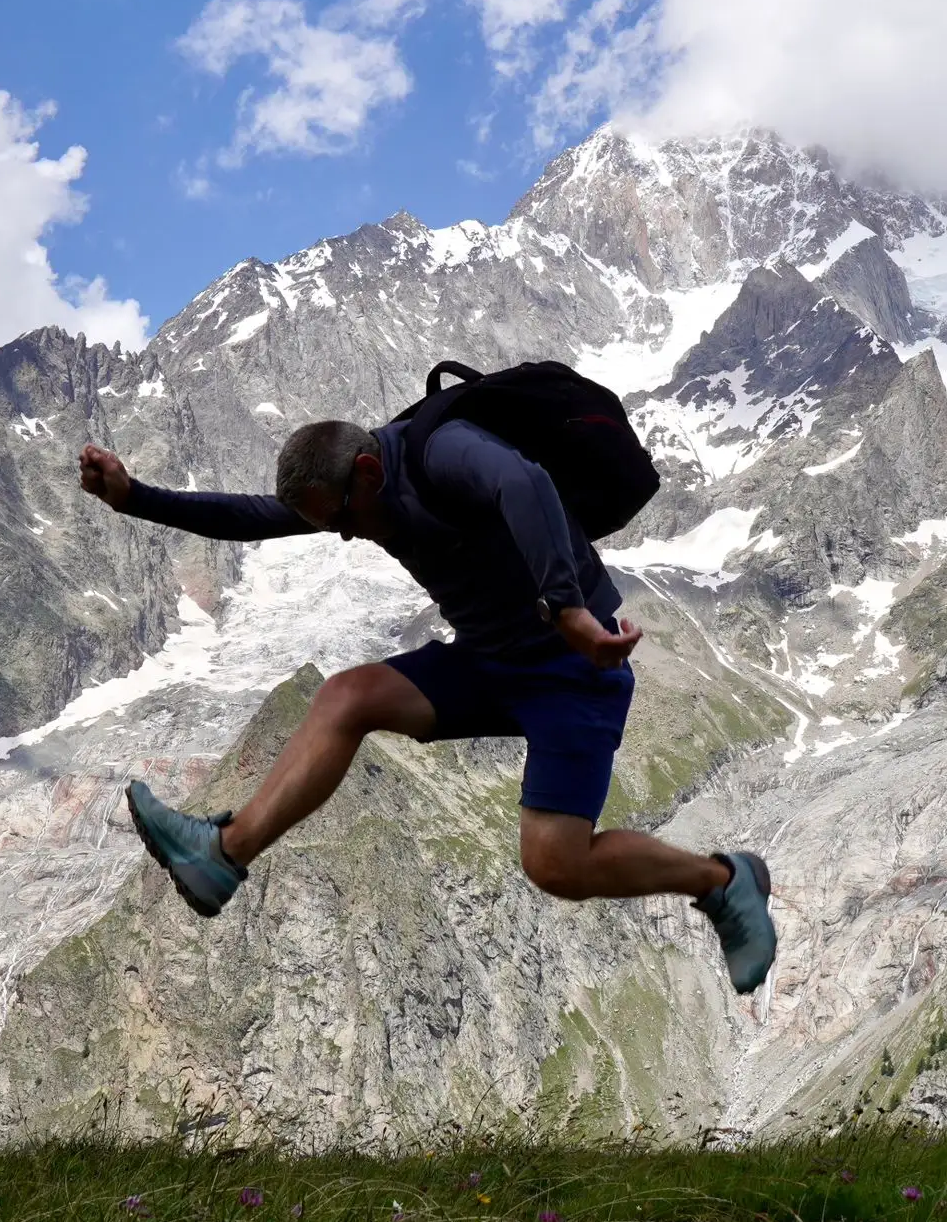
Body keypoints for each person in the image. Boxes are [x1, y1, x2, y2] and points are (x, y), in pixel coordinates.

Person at [76, 414, 779, 993]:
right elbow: (254, 518)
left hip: (574, 668)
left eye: (345, 521)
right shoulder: (348, 490)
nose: (348, 535)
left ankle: (725, 881)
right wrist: (135, 496)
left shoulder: (444, 453)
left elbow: (523, 484)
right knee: (348, 696)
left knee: (556, 866)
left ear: (367, 473)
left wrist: (566, 610)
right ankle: (221, 856)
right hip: (485, 662)